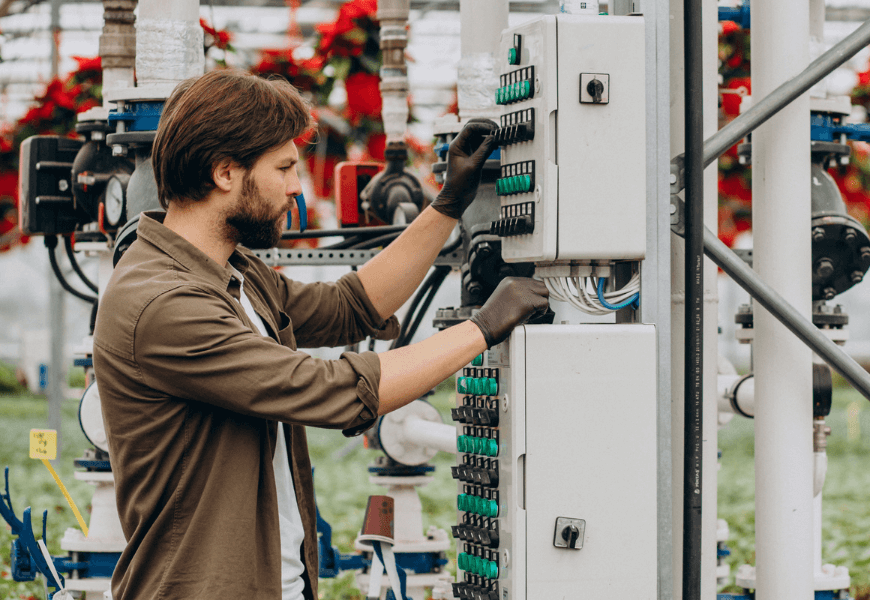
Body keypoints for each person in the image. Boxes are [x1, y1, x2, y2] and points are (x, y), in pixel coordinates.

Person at [92, 69, 549, 600]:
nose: (295, 187)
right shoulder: (164, 304)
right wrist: (483, 328)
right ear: (224, 173)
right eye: (285, 168)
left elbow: (349, 306)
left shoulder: (229, 272)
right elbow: (330, 389)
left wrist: (449, 202)